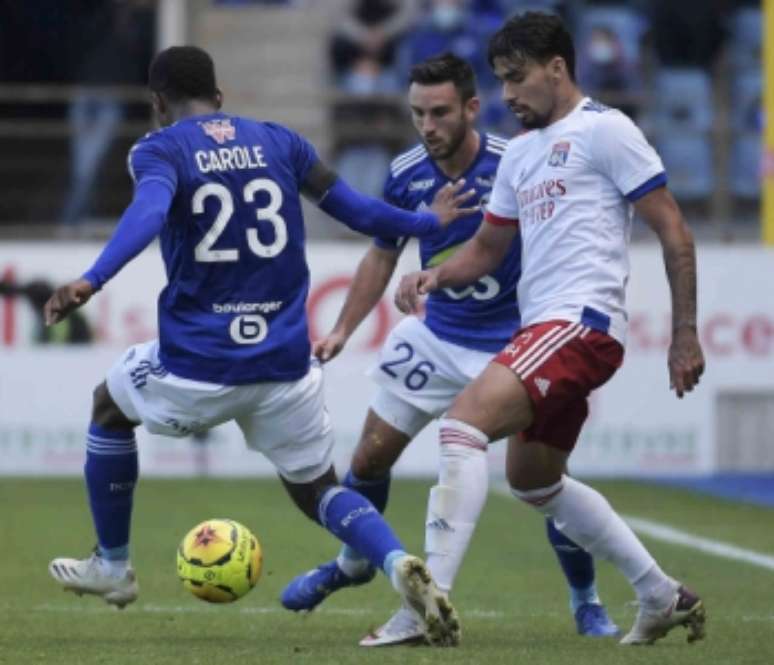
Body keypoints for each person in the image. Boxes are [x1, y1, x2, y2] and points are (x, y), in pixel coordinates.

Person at [43, 45, 479, 646]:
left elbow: (146, 214)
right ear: (219, 98)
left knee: (107, 407)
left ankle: (113, 565)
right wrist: (430, 222)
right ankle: (396, 560)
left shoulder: (159, 148)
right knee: (320, 489)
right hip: (284, 365)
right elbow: (357, 212)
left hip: (198, 365)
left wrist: (92, 279)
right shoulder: (281, 142)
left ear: (157, 105)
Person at [280, 53, 618, 645]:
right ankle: (352, 565)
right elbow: (382, 254)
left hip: (517, 343)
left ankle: (586, 600)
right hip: (439, 337)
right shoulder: (406, 172)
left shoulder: (518, 163)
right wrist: (343, 329)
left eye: (439, 113)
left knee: (544, 480)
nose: (427, 125)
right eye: (417, 113)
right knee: (368, 459)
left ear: (470, 108)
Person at [394, 12, 707, 646]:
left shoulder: (605, 131)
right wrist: (434, 276)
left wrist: (685, 332)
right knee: (534, 481)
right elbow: (486, 249)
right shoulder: (522, 155)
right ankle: (660, 594)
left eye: (516, 79)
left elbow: (673, 229)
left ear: (557, 69)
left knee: (460, 426)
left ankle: (428, 606)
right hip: (547, 327)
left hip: (582, 322)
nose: (507, 95)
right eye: (501, 81)